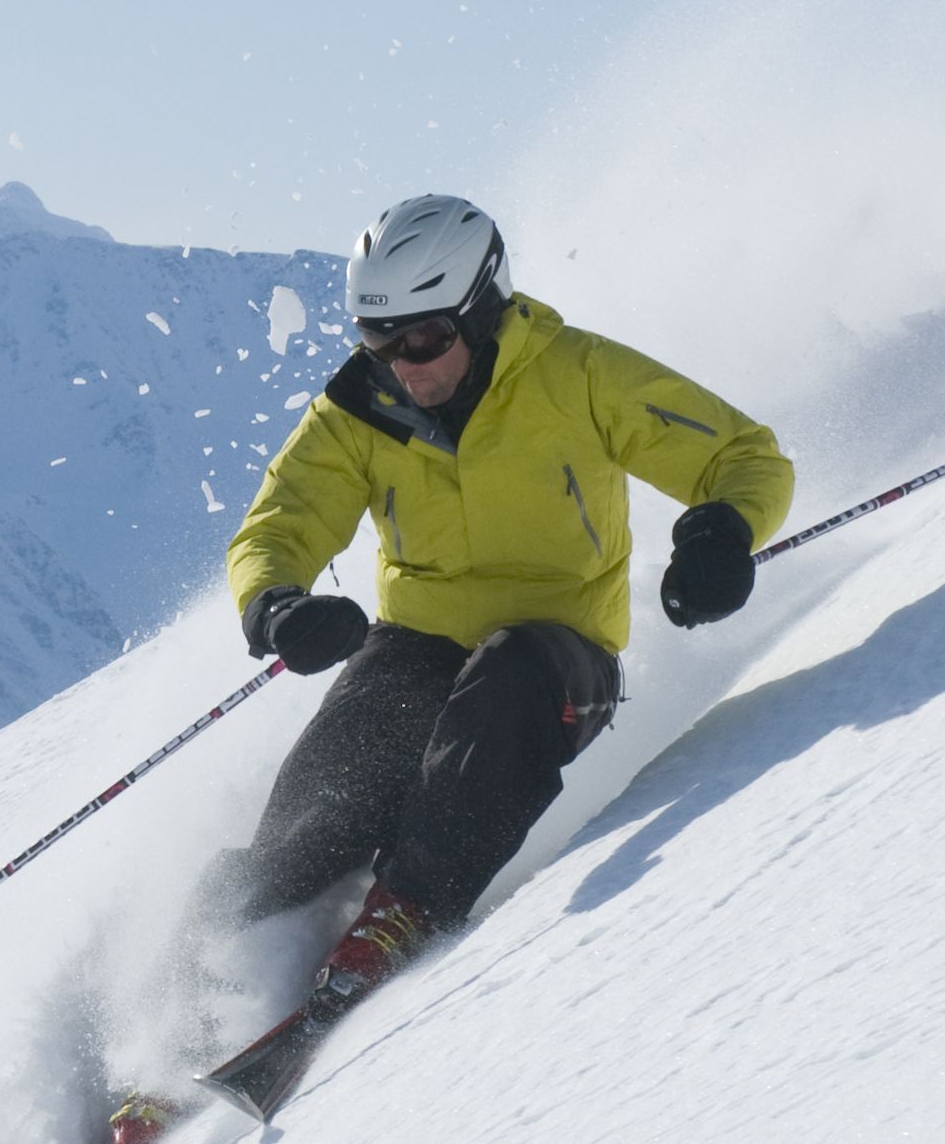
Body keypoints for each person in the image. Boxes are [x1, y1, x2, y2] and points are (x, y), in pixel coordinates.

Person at [209, 192, 795, 1044]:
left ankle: (404, 911)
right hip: (417, 645)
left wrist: (722, 535)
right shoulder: (359, 409)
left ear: (483, 307)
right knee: (321, 810)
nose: (403, 365)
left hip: (559, 660)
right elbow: (277, 526)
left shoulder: (577, 376)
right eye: (377, 339)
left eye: (423, 338)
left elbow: (742, 456)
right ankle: (195, 987)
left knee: (504, 682)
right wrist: (278, 607)